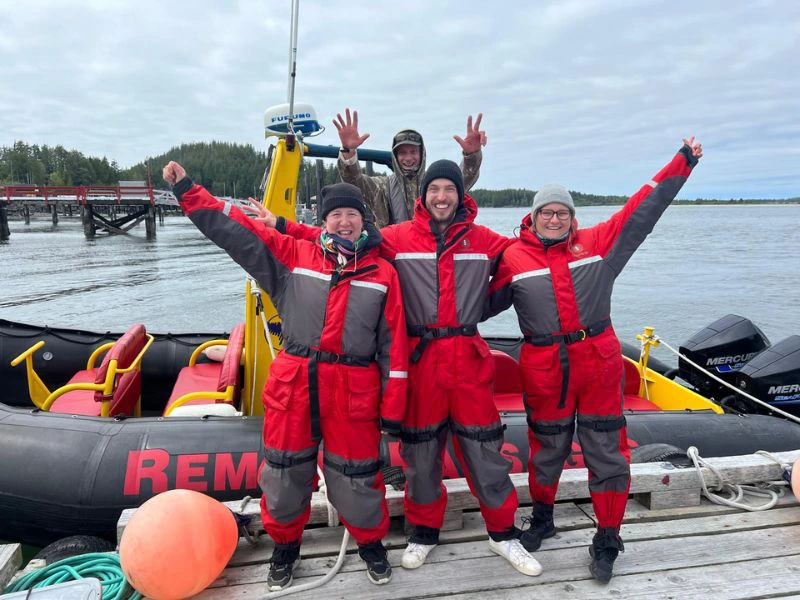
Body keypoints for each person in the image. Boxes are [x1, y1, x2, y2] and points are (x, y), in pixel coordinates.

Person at [265, 160, 542, 578]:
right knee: (420, 453)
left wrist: (554, 235)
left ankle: (503, 534)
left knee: (486, 449)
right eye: (435, 189)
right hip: (421, 360)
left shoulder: (485, 240)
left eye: (450, 188)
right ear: (423, 196)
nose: (442, 196)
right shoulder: (396, 238)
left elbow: (522, 258)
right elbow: (342, 239)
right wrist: (285, 226)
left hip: (466, 360)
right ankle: (424, 533)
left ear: (460, 195)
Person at [162, 162, 409, 591]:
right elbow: (235, 231)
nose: (345, 221)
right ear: (324, 221)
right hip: (294, 386)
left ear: (363, 220)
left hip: (352, 391)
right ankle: (285, 550)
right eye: (336, 214)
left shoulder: (382, 274)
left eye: (352, 214)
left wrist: (393, 409)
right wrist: (188, 191)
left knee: (357, 476)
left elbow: (394, 349)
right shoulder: (293, 256)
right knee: (282, 473)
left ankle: (371, 546)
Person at [484, 137, 704, 583]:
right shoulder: (512, 257)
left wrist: (682, 163)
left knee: (607, 451)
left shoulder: (600, 243)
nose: (554, 218)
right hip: (545, 367)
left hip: (598, 362)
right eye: (547, 212)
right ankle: (543, 518)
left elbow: (643, 209)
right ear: (533, 215)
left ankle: (607, 537)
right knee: (547, 447)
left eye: (562, 212)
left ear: (572, 217)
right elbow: (477, 303)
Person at [334, 108, 486, 227]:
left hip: (432, 254)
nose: (408, 158)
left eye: (413, 152)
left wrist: (472, 154)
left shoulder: (435, 183)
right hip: (394, 257)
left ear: (422, 154)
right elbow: (354, 182)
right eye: (402, 153)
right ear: (395, 155)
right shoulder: (383, 187)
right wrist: (348, 151)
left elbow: (465, 176)